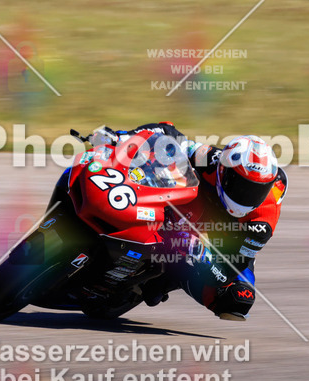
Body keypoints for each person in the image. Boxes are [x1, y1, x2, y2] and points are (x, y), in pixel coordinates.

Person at [93, 122, 287, 321]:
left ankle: (167, 278)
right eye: (241, 186)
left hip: (228, 243)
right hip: (196, 206)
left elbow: (231, 268)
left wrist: (201, 255)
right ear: (224, 171)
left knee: (238, 299)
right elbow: (168, 134)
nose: (246, 196)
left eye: (256, 191)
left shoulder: (262, 223)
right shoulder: (213, 160)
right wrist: (123, 137)